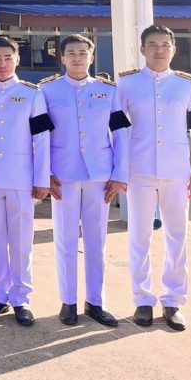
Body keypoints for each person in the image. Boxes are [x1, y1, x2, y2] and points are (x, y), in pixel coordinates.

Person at [118, 24, 191, 331]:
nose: (159, 50)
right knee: (139, 237)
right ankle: (142, 299)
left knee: (177, 236)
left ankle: (173, 300)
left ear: (174, 50)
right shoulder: (127, 84)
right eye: (153, 45)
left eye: (165, 45)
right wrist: (118, 171)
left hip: (176, 172)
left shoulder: (186, 85)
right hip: (139, 171)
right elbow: (116, 130)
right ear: (142, 49)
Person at [40, 34, 130, 328]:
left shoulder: (108, 91)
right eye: (71, 53)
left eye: (83, 53)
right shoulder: (47, 90)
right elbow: (40, 136)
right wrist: (44, 172)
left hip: (99, 176)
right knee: (65, 239)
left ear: (92, 57)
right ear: (62, 57)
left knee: (96, 240)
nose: (77, 58)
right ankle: (68, 301)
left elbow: (121, 134)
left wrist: (119, 174)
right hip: (62, 175)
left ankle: (96, 301)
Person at [0, 36, 52, 327]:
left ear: (17, 59)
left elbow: (41, 139)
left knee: (21, 240)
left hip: (21, 177)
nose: (2, 63)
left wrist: (42, 177)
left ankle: (21, 297)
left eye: (8, 58)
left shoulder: (32, 94)